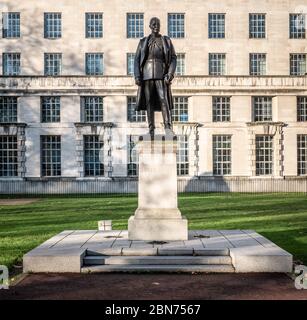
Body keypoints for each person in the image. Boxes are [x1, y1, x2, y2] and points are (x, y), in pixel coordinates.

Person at [134, 17, 177, 137]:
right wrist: (137, 76)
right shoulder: (143, 42)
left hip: (161, 74)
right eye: (153, 24)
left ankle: (168, 128)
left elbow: (173, 58)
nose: (156, 26)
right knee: (149, 103)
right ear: (150, 26)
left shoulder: (166, 41)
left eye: (158, 24)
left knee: (164, 100)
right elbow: (137, 59)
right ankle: (151, 130)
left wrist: (170, 74)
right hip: (146, 75)